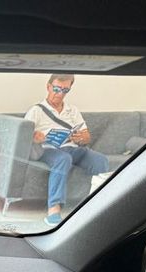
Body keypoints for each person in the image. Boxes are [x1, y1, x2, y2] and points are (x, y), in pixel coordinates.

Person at [25, 74, 109, 225]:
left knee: (100, 160)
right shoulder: (36, 110)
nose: (60, 94)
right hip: (48, 150)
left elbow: (87, 136)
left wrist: (81, 137)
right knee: (63, 159)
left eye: (65, 90)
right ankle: (54, 209)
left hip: (72, 148)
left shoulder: (72, 110)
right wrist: (35, 137)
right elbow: (23, 135)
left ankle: (98, 204)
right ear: (48, 87)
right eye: (57, 89)